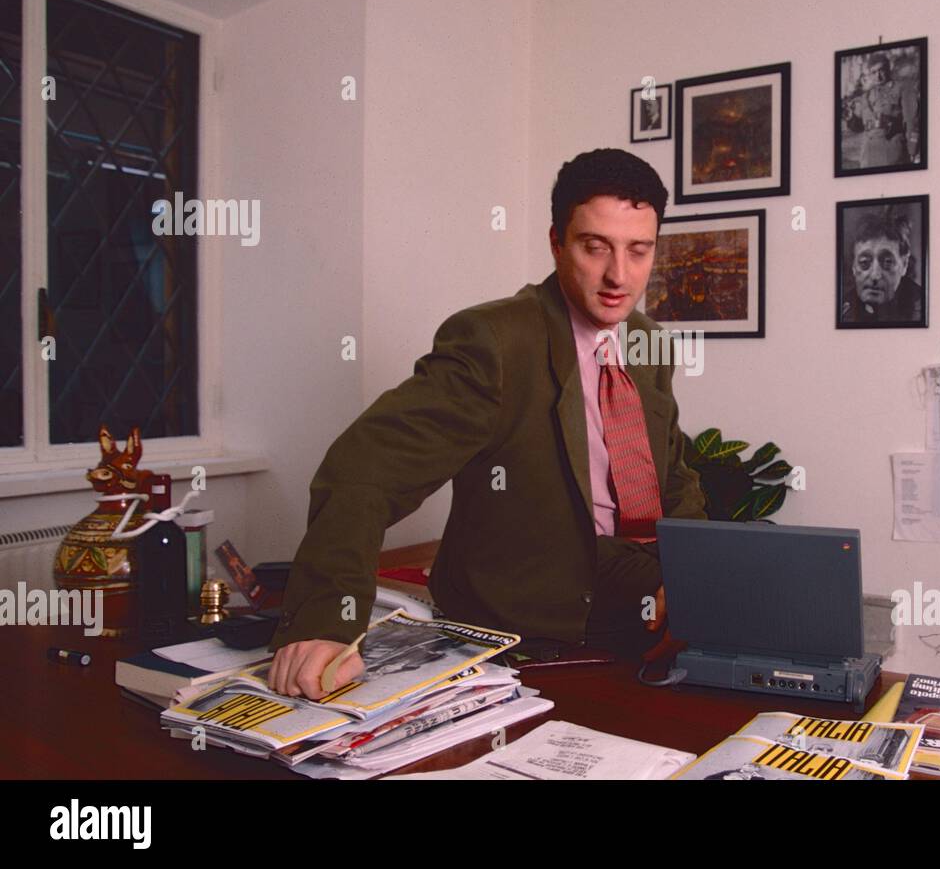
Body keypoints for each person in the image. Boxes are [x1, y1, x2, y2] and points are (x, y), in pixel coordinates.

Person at [267, 148, 708, 700]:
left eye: (638, 251)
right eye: (595, 247)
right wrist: (322, 619)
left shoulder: (648, 341)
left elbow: (671, 479)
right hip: (532, 612)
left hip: (640, 598)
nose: (619, 275)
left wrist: (695, 575)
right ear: (556, 242)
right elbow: (365, 469)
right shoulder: (494, 342)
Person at [841, 215, 923, 324]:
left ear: (904, 265)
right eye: (864, 262)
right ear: (853, 267)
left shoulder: (923, 308)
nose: (875, 275)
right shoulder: (842, 309)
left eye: (887, 262)